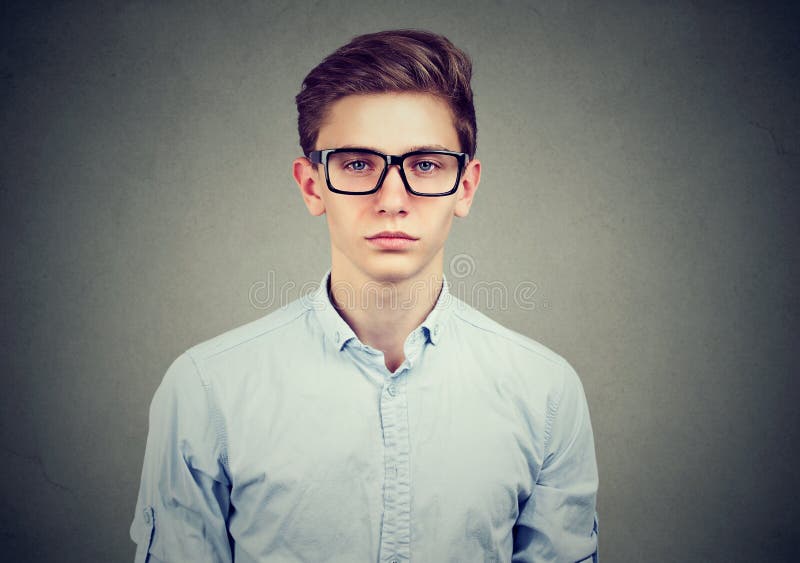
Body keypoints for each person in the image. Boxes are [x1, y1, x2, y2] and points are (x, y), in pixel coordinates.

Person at [130, 29, 599, 562]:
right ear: (312, 186)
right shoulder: (205, 391)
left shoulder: (546, 394)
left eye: (425, 164)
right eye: (357, 164)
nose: (392, 200)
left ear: (464, 187)